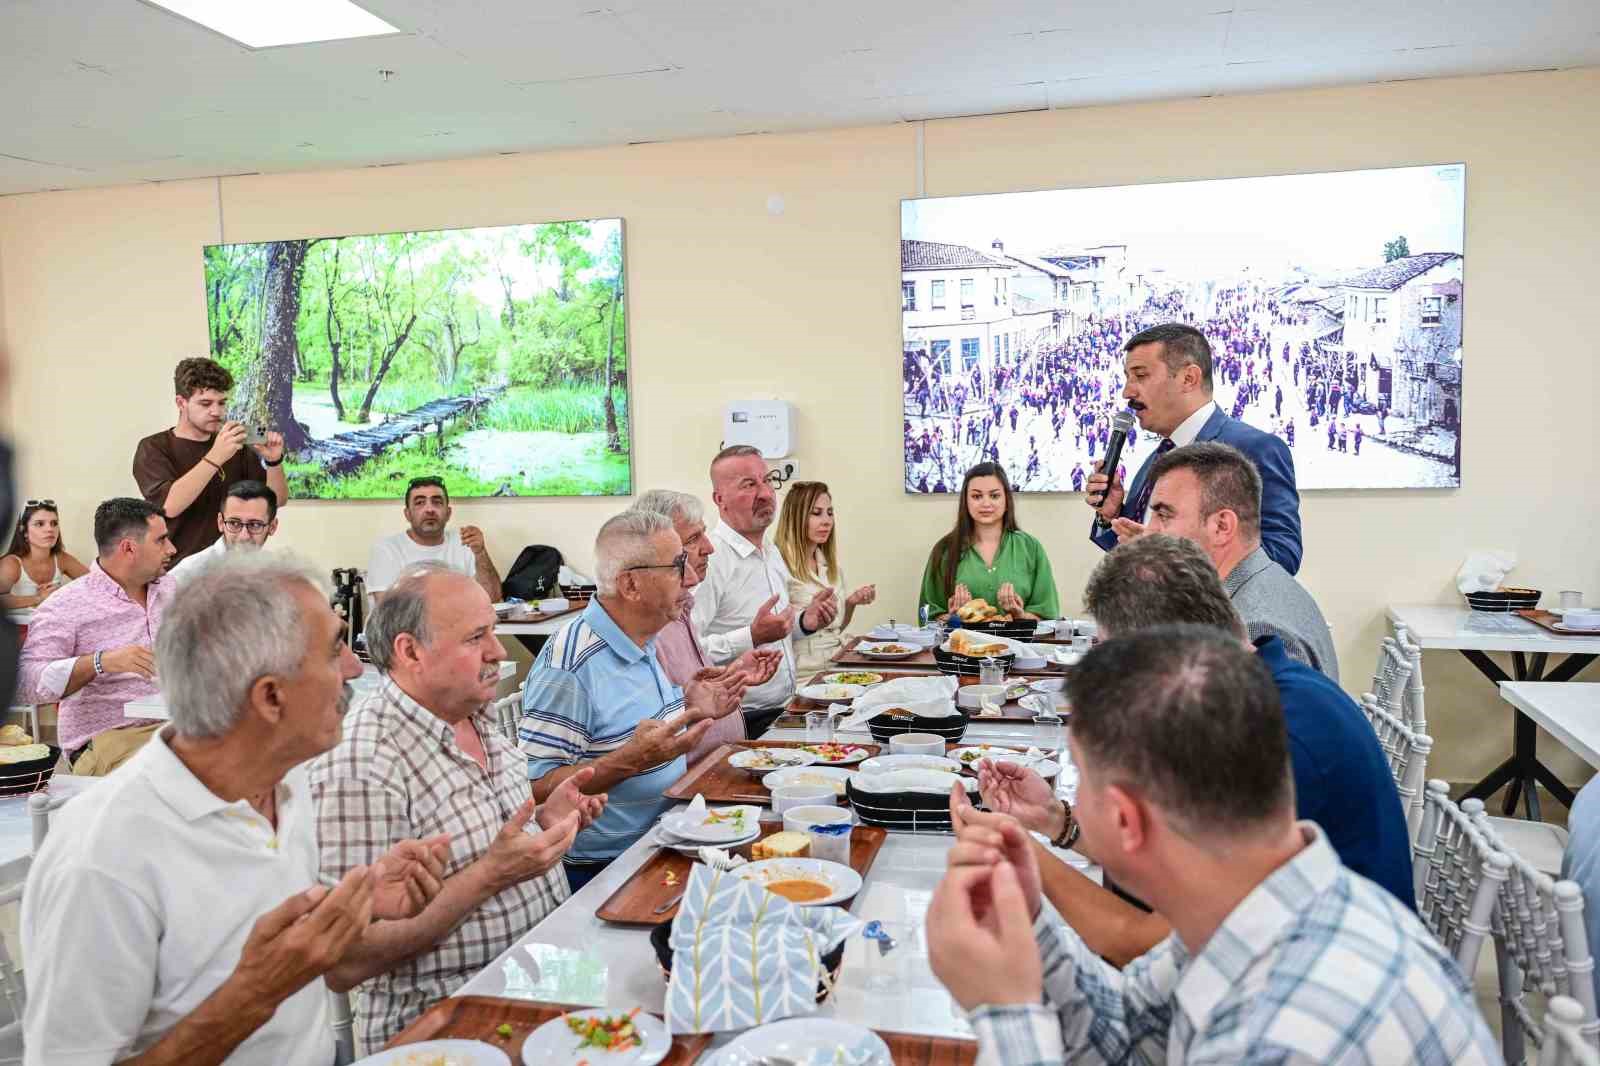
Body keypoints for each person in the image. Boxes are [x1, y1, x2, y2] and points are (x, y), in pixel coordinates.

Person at [929, 628, 1498, 1065]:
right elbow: (1129, 1030)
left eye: (1079, 777)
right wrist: (1032, 918)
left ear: (1126, 819)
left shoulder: (1284, 1036)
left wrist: (1004, 1011)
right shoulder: (1262, 903)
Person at [21, 552, 449, 1066]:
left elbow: (261, 931)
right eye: (335, 650)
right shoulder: (102, 858)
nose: (356, 668)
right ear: (270, 699)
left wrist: (356, 904)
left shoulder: (284, 777)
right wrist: (251, 997)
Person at [310, 563, 604, 1052]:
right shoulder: (362, 761)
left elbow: (495, 842)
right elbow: (346, 962)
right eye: (475, 638)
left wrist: (544, 819)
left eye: (491, 630)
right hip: (448, 1027)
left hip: (540, 992)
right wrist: (491, 873)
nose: (496, 651)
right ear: (410, 652)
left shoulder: (477, 715)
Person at [520, 510, 748, 892]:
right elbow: (531, 786)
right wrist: (631, 760)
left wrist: (691, 709)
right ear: (631, 585)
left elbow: (641, 736)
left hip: (665, 840)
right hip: (605, 870)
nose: (691, 577)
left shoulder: (643, 637)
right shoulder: (571, 664)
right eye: (678, 565)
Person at [1085, 323, 1303, 575]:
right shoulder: (1158, 457)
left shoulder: (1255, 449)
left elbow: (1282, 558)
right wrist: (1111, 516)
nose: (1127, 391)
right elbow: (1132, 553)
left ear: (1189, 378)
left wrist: (1165, 555)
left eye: (1140, 375)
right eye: (1127, 377)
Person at [1144, 442, 1338, 681]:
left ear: (1222, 526)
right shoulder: (1261, 581)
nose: (1148, 531)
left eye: (1163, 515)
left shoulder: (1257, 631)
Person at [17, 498, 176, 775]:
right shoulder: (66, 605)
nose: (172, 549)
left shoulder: (170, 589)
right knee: (182, 780)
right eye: (161, 540)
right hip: (110, 740)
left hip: (177, 729)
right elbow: (27, 682)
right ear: (129, 548)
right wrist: (99, 662)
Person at [694, 446, 837, 737]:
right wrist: (751, 636)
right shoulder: (711, 559)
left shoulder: (770, 551)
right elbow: (690, 651)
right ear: (720, 499)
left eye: (767, 480)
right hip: (739, 720)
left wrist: (804, 623)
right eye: (748, 484)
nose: (765, 493)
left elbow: (775, 633)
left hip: (784, 708)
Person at [629, 490, 781, 760]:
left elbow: (691, 684)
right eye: (693, 539)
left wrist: (733, 673)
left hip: (725, 767)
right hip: (691, 787)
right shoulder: (648, 624)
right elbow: (643, 729)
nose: (709, 547)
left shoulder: (682, 608)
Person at [132, 357, 287, 564]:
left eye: (222, 403)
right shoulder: (153, 448)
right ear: (181, 403)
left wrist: (274, 462)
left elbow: (277, 500)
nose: (217, 411)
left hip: (231, 568)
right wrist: (216, 456)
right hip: (176, 571)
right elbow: (170, 506)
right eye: (205, 403)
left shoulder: (237, 447)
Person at [919, 462, 1059, 621]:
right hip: (960, 645)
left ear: (1007, 500)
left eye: (994, 495)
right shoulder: (944, 549)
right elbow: (926, 617)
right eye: (977, 496)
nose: (986, 504)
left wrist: (1020, 616)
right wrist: (954, 618)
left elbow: (1049, 617)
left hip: (1022, 645)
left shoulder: (1030, 547)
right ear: (966, 502)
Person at [774, 481, 875, 674]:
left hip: (837, 661)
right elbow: (774, 634)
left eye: (830, 512)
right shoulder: (778, 565)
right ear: (796, 517)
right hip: (802, 670)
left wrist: (851, 603)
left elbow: (834, 628)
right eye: (816, 513)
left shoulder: (832, 569)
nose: (827, 521)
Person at [365, 477, 501, 604]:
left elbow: (492, 598)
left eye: (437, 502)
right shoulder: (386, 549)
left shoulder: (465, 542)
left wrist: (480, 553)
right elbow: (388, 609)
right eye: (420, 503)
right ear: (407, 514)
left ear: (448, 513)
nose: (429, 509)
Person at [166, 481, 280, 585]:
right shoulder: (188, 573)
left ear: (272, 527)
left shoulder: (278, 574)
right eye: (234, 523)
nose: (244, 536)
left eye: (255, 525)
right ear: (220, 522)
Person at [0, 499, 88, 609]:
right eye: (40, 524)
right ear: (24, 531)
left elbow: (96, 584)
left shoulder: (61, 558)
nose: (50, 529)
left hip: (51, 623)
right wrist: (38, 598)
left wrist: (63, 594)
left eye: (54, 523)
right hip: (18, 625)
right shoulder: (11, 563)